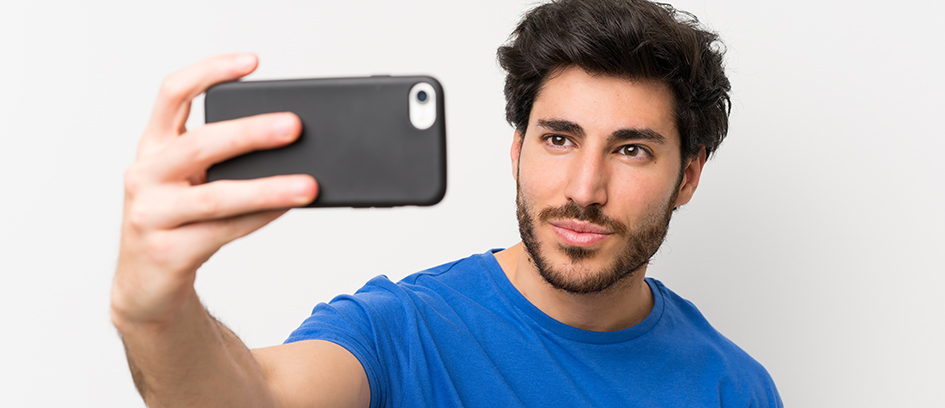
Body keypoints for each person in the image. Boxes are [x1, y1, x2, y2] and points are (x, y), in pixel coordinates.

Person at [111, 0, 782, 406]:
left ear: (687, 176)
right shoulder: (399, 330)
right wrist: (153, 313)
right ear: (517, 150)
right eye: (558, 138)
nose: (583, 188)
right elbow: (251, 398)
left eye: (630, 149)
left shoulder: (731, 389)